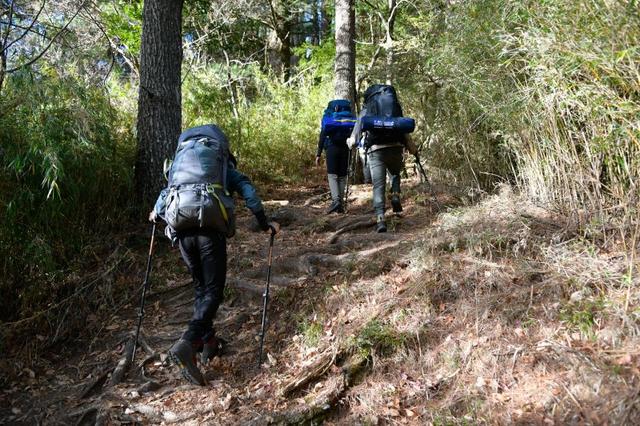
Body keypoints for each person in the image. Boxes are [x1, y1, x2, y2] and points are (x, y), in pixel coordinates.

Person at [149, 124, 279, 386]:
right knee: (214, 291)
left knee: (201, 288)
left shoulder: (180, 166)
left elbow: (165, 195)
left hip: (183, 231)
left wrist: (155, 213)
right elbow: (248, 192)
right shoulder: (222, 168)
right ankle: (188, 343)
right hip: (210, 232)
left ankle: (208, 343)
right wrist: (265, 223)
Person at [348, 85, 415, 233]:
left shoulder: (367, 109)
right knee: (395, 174)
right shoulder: (394, 106)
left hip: (376, 150)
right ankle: (396, 194)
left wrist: (351, 141)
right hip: (396, 148)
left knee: (378, 185)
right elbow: (402, 129)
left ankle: (380, 219)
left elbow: (357, 132)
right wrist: (413, 149)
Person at [315, 100, 355, 214]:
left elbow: (323, 134)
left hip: (332, 148)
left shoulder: (329, 117)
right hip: (345, 148)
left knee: (332, 176)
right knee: (342, 176)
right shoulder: (349, 117)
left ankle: (336, 201)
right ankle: (340, 205)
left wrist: (318, 153)